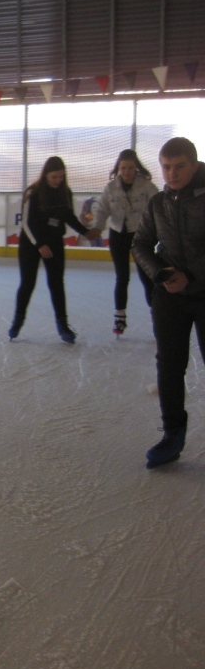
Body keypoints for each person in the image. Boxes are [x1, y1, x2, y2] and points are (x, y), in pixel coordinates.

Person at [132, 137, 205, 469]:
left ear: (193, 164)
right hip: (170, 296)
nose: (171, 174)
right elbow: (141, 243)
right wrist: (161, 273)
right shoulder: (158, 202)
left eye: (179, 166)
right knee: (170, 366)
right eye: (165, 167)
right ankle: (172, 433)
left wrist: (189, 274)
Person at [8, 156, 100, 343]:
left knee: (57, 283)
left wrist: (85, 232)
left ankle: (63, 326)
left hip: (55, 241)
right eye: (54, 177)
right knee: (28, 283)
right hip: (32, 243)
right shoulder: (33, 193)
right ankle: (17, 321)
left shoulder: (65, 192)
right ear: (46, 175)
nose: (58, 181)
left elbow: (68, 216)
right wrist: (39, 244)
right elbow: (26, 223)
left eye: (61, 177)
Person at [93, 149, 159, 335]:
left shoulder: (146, 186)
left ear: (136, 167)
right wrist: (97, 228)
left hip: (141, 236)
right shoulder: (111, 188)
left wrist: (159, 231)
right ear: (118, 168)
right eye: (123, 168)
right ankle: (119, 318)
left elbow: (157, 207)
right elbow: (102, 210)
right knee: (122, 277)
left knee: (147, 277)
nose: (127, 171)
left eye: (130, 167)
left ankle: (158, 317)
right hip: (118, 235)